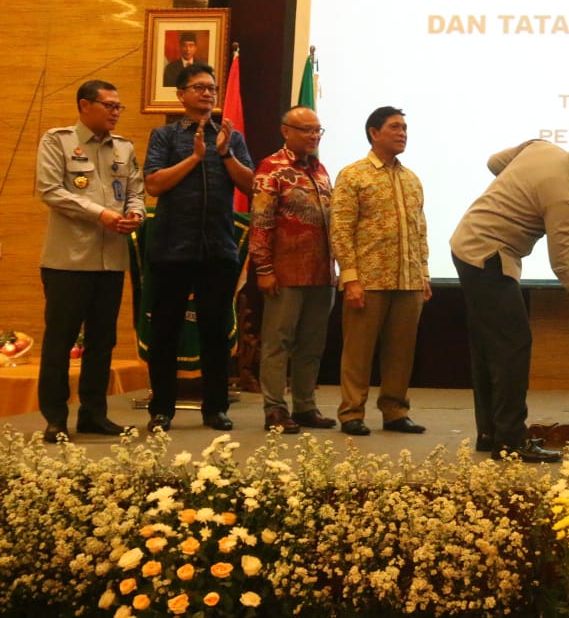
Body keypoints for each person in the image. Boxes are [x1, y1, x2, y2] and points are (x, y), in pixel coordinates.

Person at [451, 131, 569, 463]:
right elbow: (562, 264)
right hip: (487, 255)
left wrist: (520, 190)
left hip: (467, 246)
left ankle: (491, 433)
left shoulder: (542, 148)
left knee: (489, 348)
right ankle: (511, 441)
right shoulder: (563, 195)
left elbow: (494, 163)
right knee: (512, 347)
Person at [143, 63, 253, 432]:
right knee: (165, 332)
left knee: (215, 333)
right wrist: (193, 157)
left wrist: (225, 154)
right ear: (181, 95)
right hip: (172, 248)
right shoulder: (165, 136)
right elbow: (154, 184)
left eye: (212, 88)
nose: (208, 93)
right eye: (199, 87)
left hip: (218, 248)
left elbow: (251, 185)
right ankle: (162, 409)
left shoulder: (230, 136)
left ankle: (215, 408)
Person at [35, 80, 145, 443]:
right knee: (60, 341)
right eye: (109, 105)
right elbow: (50, 191)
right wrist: (101, 214)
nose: (116, 112)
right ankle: (55, 418)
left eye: (118, 107)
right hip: (67, 261)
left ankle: (94, 414)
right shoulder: (58, 141)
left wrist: (135, 213)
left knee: (102, 341)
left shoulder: (124, 147)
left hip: (111, 261)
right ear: (85, 105)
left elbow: (136, 191)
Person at [330, 107, 431, 436]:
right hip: (368, 280)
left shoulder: (411, 179)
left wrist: (424, 273)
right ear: (374, 133)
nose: (402, 134)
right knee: (358, 352)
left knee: (401, 353)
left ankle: (395, 411)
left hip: (408, 280)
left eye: (405, 128)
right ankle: (351, 413)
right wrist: (350, 278)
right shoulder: (353, 175)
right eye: (395, 127)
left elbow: (420, 230)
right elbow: (341, 229)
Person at [249, 106, 337, 433]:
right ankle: (274, 409)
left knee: (311, 345)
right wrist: (264, 268)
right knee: (278, 343)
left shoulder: (321, 170)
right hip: (285, 272)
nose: (314, 136)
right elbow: (261, 222)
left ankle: (305, 406)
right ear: (286, 131)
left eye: (317, 130)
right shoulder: (270, 169)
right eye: (307, 130)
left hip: (321, 273)